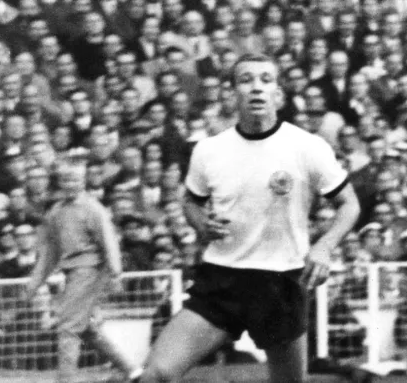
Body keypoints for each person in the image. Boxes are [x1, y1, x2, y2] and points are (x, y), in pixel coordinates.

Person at [137, 54, 360, 383]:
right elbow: (190, 202)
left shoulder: (307, 147)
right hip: (222, 279)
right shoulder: (208, 150)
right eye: (246, 80)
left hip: (281, 281)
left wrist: (325, 246)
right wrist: (200, 223)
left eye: (266, 80)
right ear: (232, 93)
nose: (257, 87)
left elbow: (349, 204)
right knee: (155, 373)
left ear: (278, 94)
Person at [25, 159, 142, 383]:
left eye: (75, 179)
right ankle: (132, 370)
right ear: (60, 181)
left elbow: (109, 243)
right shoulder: (56, 211)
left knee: (68, 326)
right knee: (84, 328)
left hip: (90, 270)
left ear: (83, 180)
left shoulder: (93, 209)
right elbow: (50, 252)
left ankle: (65, 380)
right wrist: (35, 282)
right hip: (72, 272)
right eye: (66, 179)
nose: (71, 183)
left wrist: (116, 273)